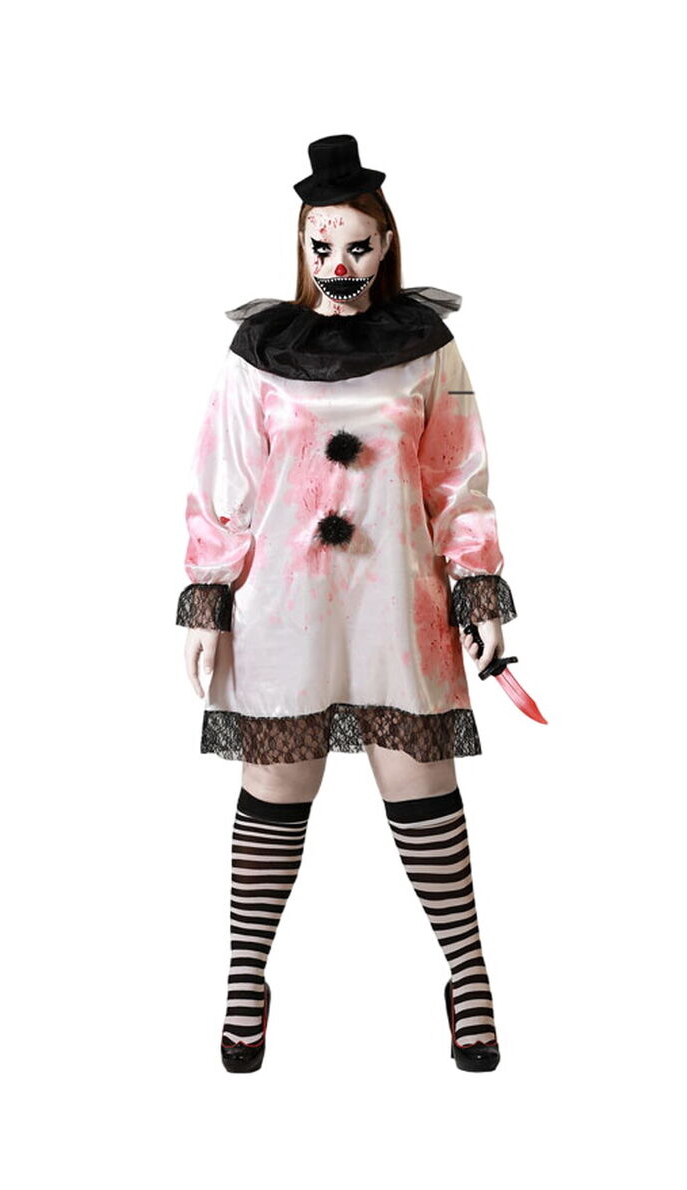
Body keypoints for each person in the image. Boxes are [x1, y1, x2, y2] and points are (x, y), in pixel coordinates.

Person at [176, 134, 518, 1073]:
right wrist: (206, 598)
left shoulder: (429, 351)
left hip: (394, 600)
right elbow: (221, 483)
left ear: (386, 244)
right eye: (321, 244)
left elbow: (458, 476)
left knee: (422, 788)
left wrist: (478, 587)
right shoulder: (258, 352)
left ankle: (469, 975)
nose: (339, 263)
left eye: (357, 245)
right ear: (300, 244)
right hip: (284, 607)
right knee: (275, 791)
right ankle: (246, 976)